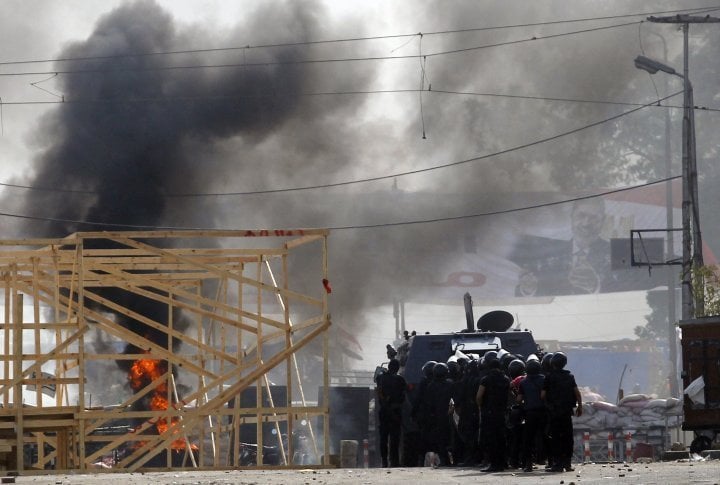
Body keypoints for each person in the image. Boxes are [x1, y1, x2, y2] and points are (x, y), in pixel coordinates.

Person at [513, 198, 619, 296]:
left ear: (603, 220)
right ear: (572, 216)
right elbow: (520, 294)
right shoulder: (548, 252)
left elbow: (631, 289)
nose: (586, 223)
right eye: (581, 215)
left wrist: (596, 286)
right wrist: (529, 289)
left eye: (594, 217)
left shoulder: (618, 253)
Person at [541, 352, 582, 473]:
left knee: (556, 439)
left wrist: (548, 404)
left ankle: (557, 464)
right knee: (568, 438)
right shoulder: (570, 376)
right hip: (567, 412)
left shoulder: (548, 377)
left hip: (554, 413)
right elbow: (577, 393)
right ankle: (567, 464)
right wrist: (580, 406)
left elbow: (542, 395)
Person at [476, 354, 510, 472]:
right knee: (501, 438)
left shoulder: (485, 379)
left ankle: (494, 464)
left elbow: (479, 396)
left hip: (489, 413)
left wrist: (481, 407)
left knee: (491, 439)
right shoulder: (506, 379)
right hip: (501, 412)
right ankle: (503, 462)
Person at [376, 358, 407, 467]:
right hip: (395, 411)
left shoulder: (381, 378)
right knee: (395, 438)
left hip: (384, 411)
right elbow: (403, 396)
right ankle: (394, 461)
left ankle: (384, 461)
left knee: (383, 438)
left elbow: (376, 380)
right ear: (397, 368)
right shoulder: (400, 380)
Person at [517, 358, 546, 472]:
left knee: (528, 439)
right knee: (545, 436)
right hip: (543, 412)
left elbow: (519, 399)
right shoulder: (544, 380)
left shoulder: (523, 382)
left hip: (530, 413)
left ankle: (528, 463)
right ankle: (550, 461)